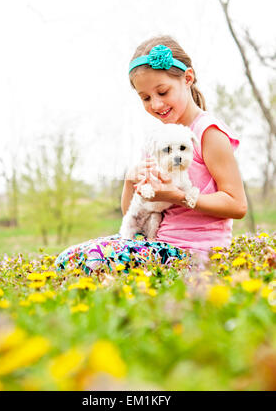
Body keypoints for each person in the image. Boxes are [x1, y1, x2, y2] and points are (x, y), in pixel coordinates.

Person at [55, 35, 247, 273]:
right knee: (67, 259)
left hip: (194, 251)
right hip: (155, 241)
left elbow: (237, 205)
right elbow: (133, 212)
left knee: (94, 261)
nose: (156, 105)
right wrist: (130, 180)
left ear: (188, 78)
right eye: (145, 98)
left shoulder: (208, 133)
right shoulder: (158, 140)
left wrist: (178, 196)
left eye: (163, 92)